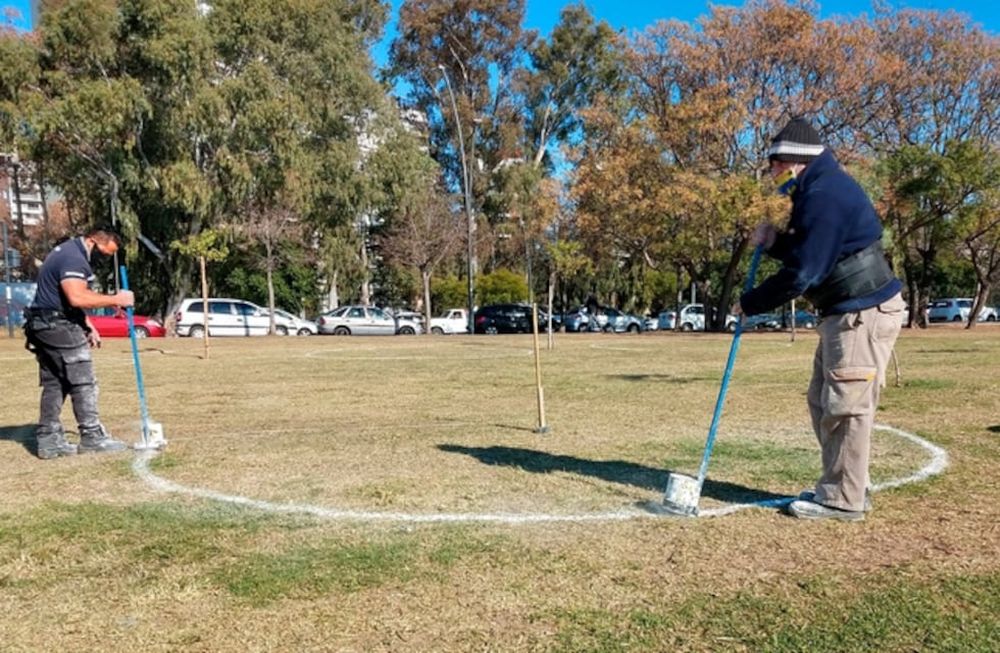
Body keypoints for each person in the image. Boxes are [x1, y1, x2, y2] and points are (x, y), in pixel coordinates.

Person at [733, 118, 905, 521]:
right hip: (844, 312)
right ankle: (845, 484)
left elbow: (806, 272)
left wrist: (751, 303)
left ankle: (843, 499)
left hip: (861, 314)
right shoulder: (816, 190)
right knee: (823, 399)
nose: (772, 171)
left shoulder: (825, 194)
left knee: (845, 405)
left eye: (775, 163)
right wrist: (776, 243)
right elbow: (812, 251)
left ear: (796, 159)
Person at [23, 225, 134, 459]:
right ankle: (92, 436)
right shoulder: (74, 259)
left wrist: (87, 325)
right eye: (105, 254)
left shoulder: (66, 251)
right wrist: (116, 298)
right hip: (57, 326)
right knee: (83, 381)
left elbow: (64, 298)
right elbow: (76, 297)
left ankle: (49, 439)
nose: (104, 259)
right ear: (94, 241)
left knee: (55, 382)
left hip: (43, 324)